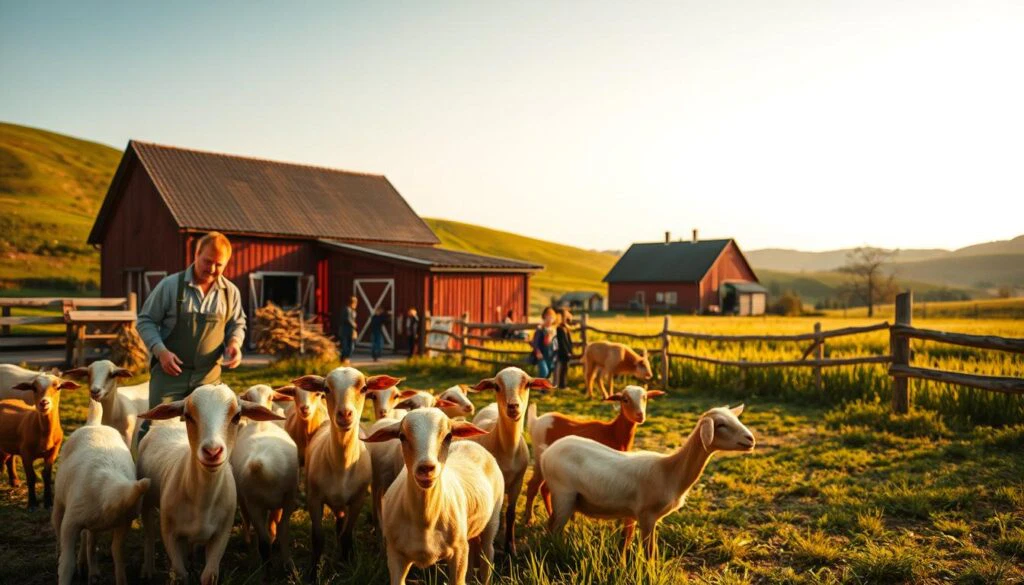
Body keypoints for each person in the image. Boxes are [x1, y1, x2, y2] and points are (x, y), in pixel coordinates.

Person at [136, 231, 245, 442]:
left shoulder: (230, 293)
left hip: (208, 378)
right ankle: (142, 472)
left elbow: (237, 323)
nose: (212, 269)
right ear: (196, 254)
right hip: (169, 376)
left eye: (219, 264)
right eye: (207, 261)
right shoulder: (169, 286)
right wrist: (161, 352)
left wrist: (234, 344)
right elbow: (145, 320)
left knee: (207, 432)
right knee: (156, 430)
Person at [531, 307, 558, 380]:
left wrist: (556, 353)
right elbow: (535, 342)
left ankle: (544, 389)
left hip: (551, 354)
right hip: (542, 354)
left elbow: (555, 343)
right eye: (548, 317)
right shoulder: (540, 329)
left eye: (552, 318)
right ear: (544, 317)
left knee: (549, 372)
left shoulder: (554, 330)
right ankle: (538, 386)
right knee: (544, 371)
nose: (550, 319)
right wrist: (537, 352)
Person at [554, 308, 574, 389]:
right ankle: (561, 385)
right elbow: (561, 342)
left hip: (566, 352)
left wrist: (570, 350)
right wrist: (567, 351)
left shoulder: (565, 328)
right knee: (561, 369)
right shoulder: (559, 328)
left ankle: (563, 384)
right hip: (562, 352)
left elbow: (568, 341)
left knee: (565, 368)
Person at [338, 296, 358, 362]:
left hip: (351, 331)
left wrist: (354, 329)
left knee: (351, 346)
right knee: (345, 346)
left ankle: (346, 358)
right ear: (352, 303)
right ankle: (344, 359)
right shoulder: (346, 309)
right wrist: (354, 325)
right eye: (355, 303)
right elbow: (347, 319)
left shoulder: (353, 311)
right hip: (345, 331)